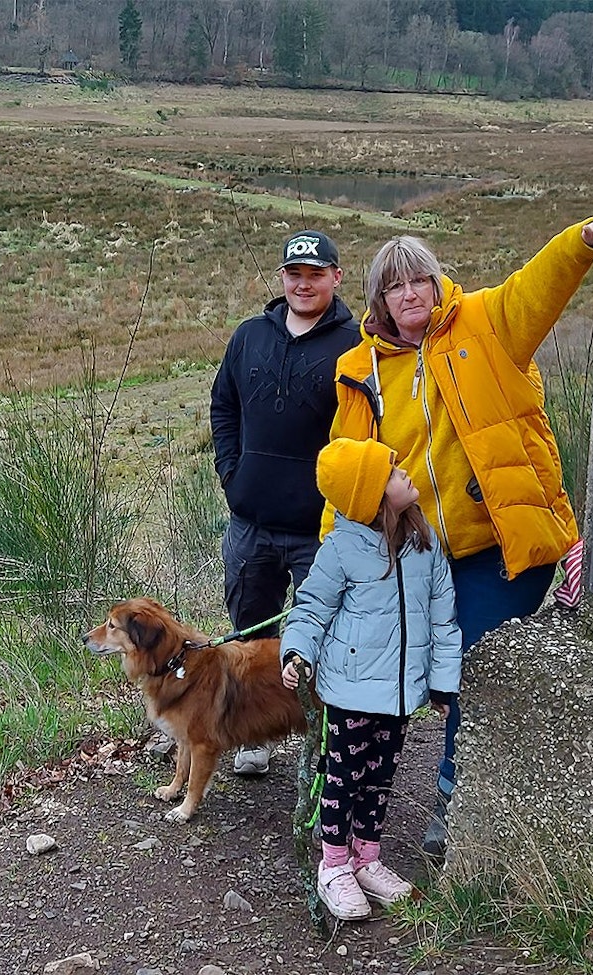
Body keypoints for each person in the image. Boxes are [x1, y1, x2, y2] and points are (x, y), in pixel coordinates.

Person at [333, 217, 593, 857]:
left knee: (467, 667)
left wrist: (579, 241)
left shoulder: (484, 323)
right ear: (379, 301)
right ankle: (351, 820)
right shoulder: (358, 367)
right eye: (396, 286)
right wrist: (343, 549)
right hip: (414, 558)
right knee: (384, 679)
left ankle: (454, 800)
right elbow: (342, 461)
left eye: (420, 278)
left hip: (501, 550)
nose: (412, 293)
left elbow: (536, 289)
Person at [278, 437, 460, 920]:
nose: (405, 473)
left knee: (380, 779)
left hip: (399, 695)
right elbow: (312, 608)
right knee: (342, 777)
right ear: (373, 497)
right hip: (352, 690)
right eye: (393, 472)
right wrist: (297, 653)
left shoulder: (423, 543)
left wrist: (442, 683)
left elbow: (444, 619)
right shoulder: (340, 549)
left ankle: (367, 858)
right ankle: (333, 863)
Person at [208, 230, 364, 776]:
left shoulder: (355, 345)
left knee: (325, 634)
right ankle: (257, 735)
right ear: (283, 278)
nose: (304, 283)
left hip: (320, 528)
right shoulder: (250, 336)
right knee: (251, 634)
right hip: (250, 522)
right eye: (295, 273)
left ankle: (325, 737)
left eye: (316, 273)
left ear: (336, 277)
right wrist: (233, 474)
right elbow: (223, 405)